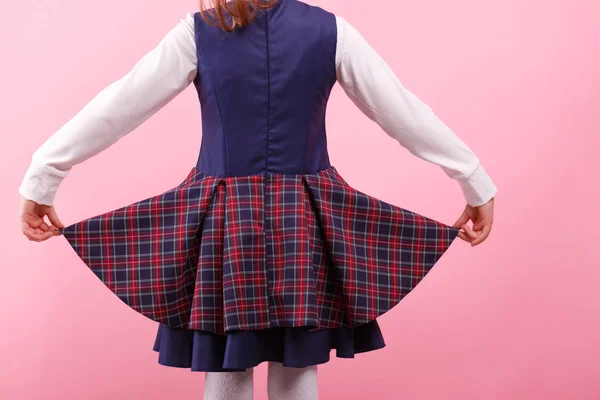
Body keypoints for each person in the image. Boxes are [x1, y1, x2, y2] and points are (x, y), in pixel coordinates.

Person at [18, 0, 497, 399]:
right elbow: (404, 112)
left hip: (228, 222)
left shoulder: (199, 32)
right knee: (297, 363)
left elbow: (117, 106)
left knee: (229, 362)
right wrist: (473, 179)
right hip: (302, 222)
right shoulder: (330, 31)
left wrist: (44, 174)